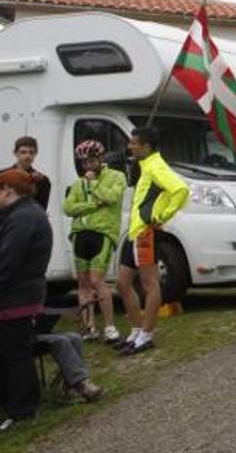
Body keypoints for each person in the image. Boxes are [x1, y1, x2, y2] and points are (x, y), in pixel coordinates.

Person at [116, 126, 189, 356]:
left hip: (146, 231)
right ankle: (137, 330)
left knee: (149, 284)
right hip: (134, 231)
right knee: (122, 282)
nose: (130, 146)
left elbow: (180, 189)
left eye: (134, 143)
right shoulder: (145, 164)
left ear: (146, 147)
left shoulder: (156, 165)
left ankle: (146, 334)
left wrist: (161, 216)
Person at [0, 167, 51, 431]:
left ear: (7, 191)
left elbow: (7, 261)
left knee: (14, 354)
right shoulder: (22, 213)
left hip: (16, 297)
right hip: (20, 294)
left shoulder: (23, 217)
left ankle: (22, 410)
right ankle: (19, 406)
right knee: (13, 352)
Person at [62, 139, 125, 343]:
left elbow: (112, 198)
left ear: (100, 158)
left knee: (98, 281)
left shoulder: (116, 176)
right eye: (83, 163)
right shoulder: (78, 183)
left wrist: (94, 184)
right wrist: (93, 205)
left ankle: (110, 327)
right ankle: (89, 327)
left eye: (90, 161)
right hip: (80, 233)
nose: (86, 166)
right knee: (83, 282)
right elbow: (69, 208)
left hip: (103, 233)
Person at [33, 332, 103, 402]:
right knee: (61, 340)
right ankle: (81, 384)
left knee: (75, 338)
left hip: (40, 333)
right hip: (25, 338)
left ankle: (69, 388)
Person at [5, 136, 51, 209]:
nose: (27, 156)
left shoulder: (43, 180)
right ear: (15, 153)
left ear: (35, 153)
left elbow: (41, 208)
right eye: (23, 152)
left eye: (31, 152)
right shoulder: (3, 176)